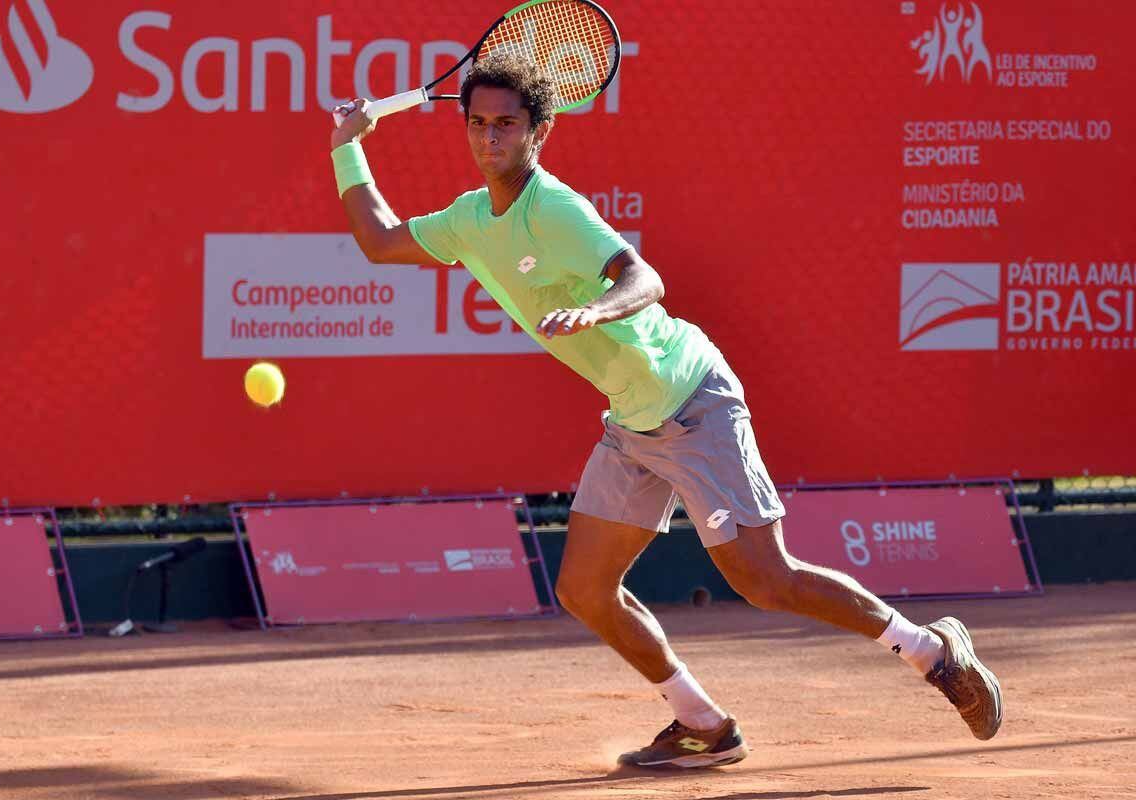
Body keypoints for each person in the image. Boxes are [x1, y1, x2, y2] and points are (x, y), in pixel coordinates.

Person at [328, 53, 1002, 770]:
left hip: (691, 398)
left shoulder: (553, 209)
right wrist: (347, 146)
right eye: (478, 124)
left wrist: (596, 309)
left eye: (507, 124)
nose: (490, 137)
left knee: (764, 579)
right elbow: (380, 240)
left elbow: (643, 278)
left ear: (538, 132)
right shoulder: (469, 219)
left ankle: (931, 650)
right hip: (633, 419)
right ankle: (702, 724)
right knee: (585, 590)